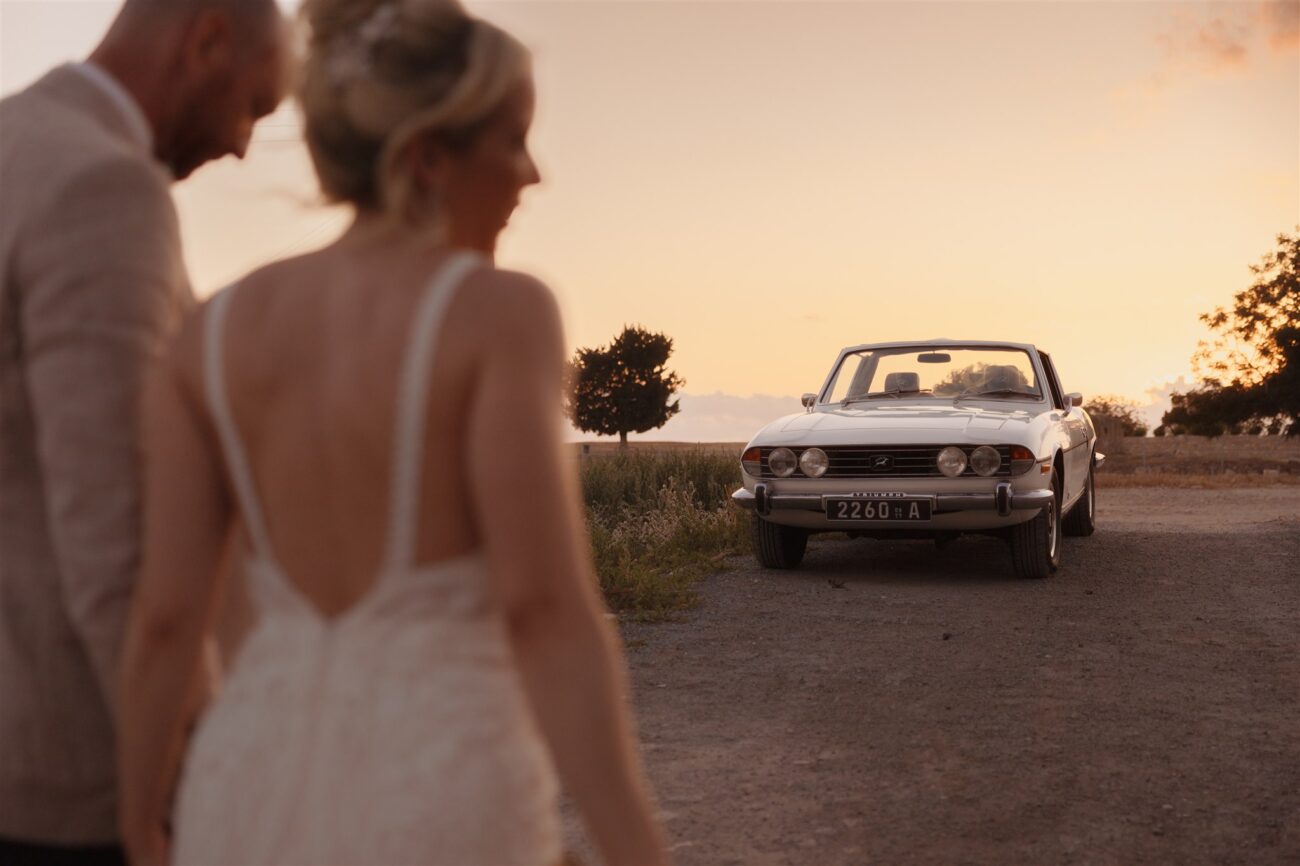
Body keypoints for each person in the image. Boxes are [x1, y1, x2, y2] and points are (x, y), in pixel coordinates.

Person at [117, 1, 670, 864]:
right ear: (428, 158)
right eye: (512, 138)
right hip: (439, 794)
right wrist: (635, 850)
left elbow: (165, 618)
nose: (533, 175)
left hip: (245, 790)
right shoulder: (497, 315)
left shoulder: (209, 334)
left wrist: (139, 819)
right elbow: (545, 609)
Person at [0, 1, 287, 863]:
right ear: (204, 41)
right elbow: (123, 534)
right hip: (82, 781)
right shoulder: (103, 189)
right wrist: (196, 772)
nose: (242, 144)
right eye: (254, 107)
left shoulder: (15, 144)